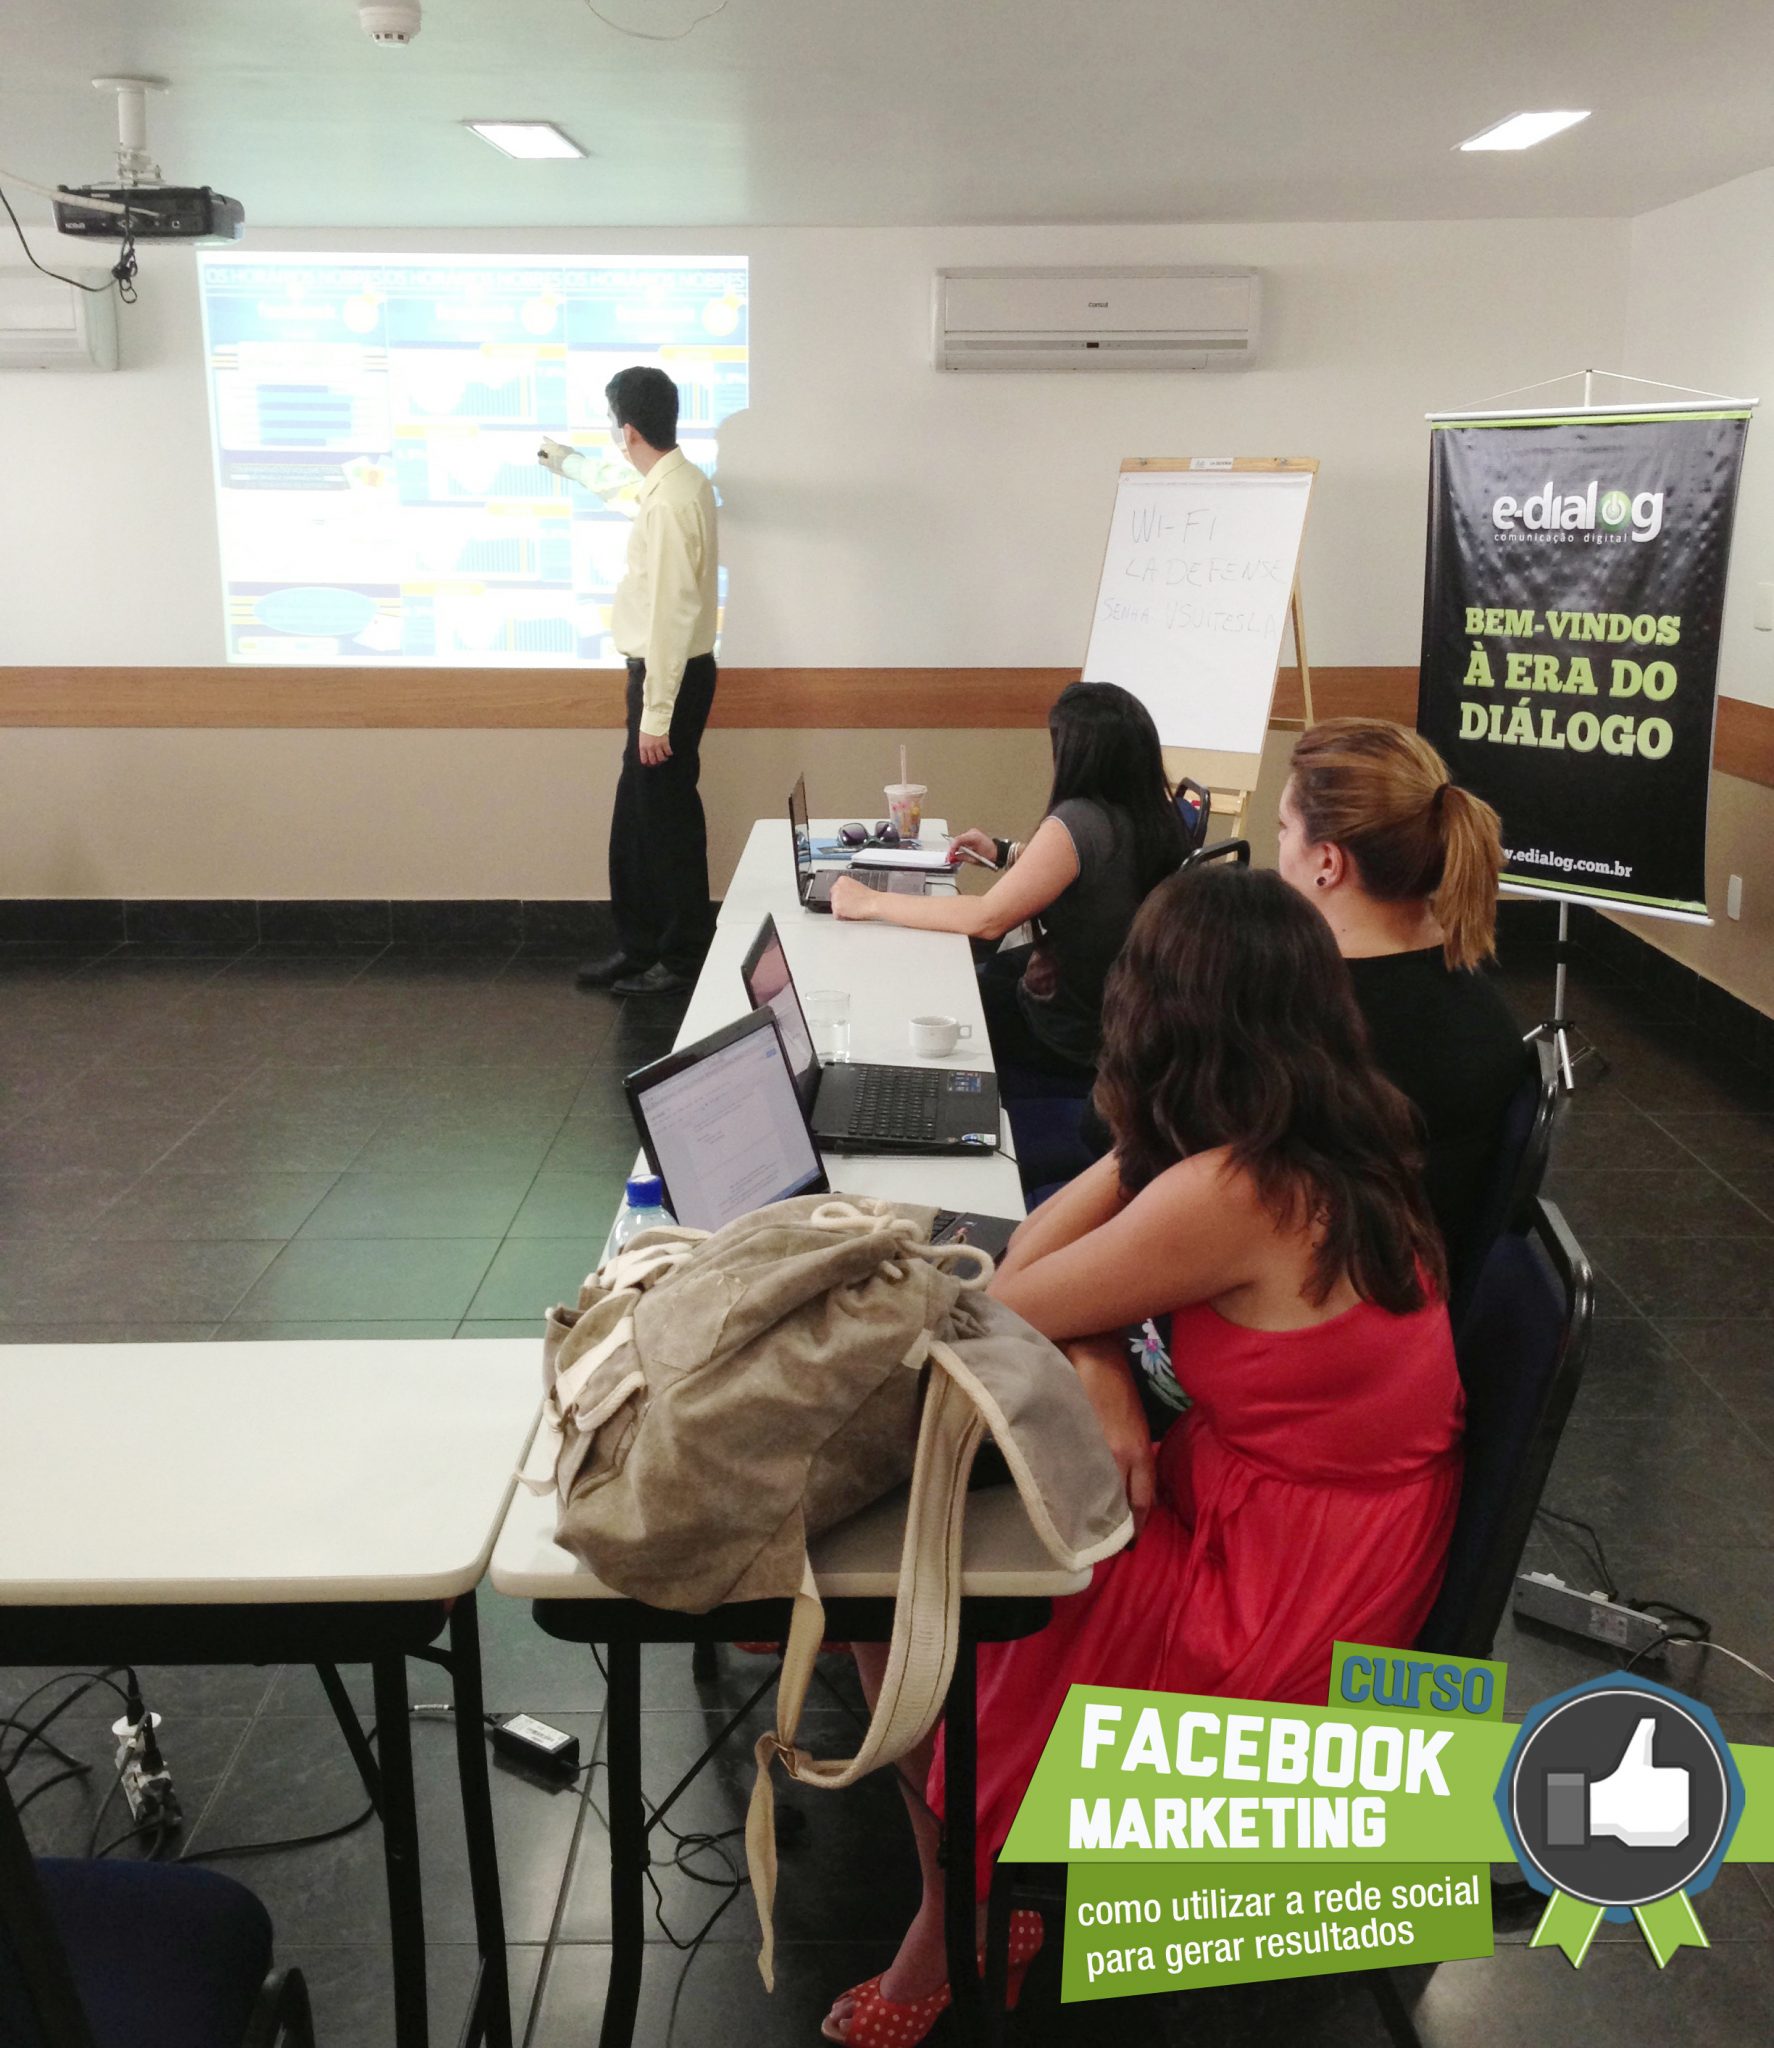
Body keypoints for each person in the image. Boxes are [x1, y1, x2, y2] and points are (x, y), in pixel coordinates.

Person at [823, 865, 1464, 2046]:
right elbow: (1073, 1281)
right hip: (1316, 1533)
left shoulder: (1236, 1186)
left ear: (1157, 1017)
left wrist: (1111, 1270)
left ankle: (959, 1908)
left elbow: (1007, 1295)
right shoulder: (1338, 1127)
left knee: (894, 1577)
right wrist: (1108, 1354)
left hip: (1273, 1596)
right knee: (954, 1531)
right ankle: (979, 1877)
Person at [828, 681, 1188, 1087]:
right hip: (1118, 1018)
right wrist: (1004, 852)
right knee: (973, 971)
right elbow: (1096, 875)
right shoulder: (1156, 816)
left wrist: (870, 901)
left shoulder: (1079, 821)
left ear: (1078, 755)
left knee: (936, 995)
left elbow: (986, 919)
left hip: (1066, 1035)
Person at [1276, 717, 1532, 1279]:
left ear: (1327, 864)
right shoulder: (1478, 1006)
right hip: (1418, 1284)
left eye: (1284, 828)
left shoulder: (1307, 1033)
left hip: (1334, 1295)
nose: (1279, 848)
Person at [540, 366, 718, 995]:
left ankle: (681, 958)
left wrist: (655, 716)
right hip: (668, 676)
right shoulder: (674, 483)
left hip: (668, 680)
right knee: (639, 822)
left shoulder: (671, 500)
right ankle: (642, 948)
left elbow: (672, 614)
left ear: (628, 429)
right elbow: (623, 488)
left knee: (664, 825)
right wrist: (567, 463)